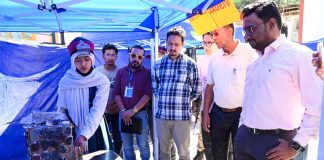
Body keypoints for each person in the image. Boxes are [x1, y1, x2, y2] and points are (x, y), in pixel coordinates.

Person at [234, 1, 323, 160]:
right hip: (245, 138)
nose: (246, 37)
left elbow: (316, 106)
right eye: (245, 31)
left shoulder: (298, 56)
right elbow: (249, 102)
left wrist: (296, 145)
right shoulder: (255, 61)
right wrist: (241, 130)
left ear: (272, 24)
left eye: (251, 29)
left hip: (276, 144)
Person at [202, 24, 256, 160]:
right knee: (218, 154)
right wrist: (206, 114)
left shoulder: (249, 54)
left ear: (230, 31)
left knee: (241, 154)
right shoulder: (214, 58)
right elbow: (209, 87)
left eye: (216, 34)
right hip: (218, 114)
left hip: (242, 114)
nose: (214, 39)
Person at [152, 26, 201, 160]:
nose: (173, 47)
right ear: (165, 42)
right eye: (170, 44)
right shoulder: (158, 64)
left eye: (176, 44)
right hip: (162, 117)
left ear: (182, 44)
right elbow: (155, 87)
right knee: (163, 153)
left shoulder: (190, 64)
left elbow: (197, 90)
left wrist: (181, 99)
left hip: (182, 118)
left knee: (184, 154)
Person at [57, 37, 110, 154]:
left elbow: (97, 110)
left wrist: (84, 135)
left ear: (92, 59)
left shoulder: (101, 81)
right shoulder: (65, 81)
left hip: (95, 129)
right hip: (71, 129)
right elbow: (62, 109)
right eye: (78, 60)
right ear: (72, 61)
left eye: (87, 59)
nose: (83, 64)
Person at [114, 45, 151, 160]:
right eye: (133, 56)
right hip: (123, 114)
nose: (136, 59)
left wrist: (133, 111)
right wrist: (125, 111)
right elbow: (116, 94)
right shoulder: (120, 72)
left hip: (140, 114)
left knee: (143, 145)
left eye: (140, 57)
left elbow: (147, 94)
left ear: (143, 59)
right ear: (129, 56)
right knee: (127, 146)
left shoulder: (147, 73)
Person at [194, 32, 218, 160]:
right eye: (204, 42)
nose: (207, 46)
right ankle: (200, 152)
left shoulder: (220, 58)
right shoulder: (200, 61)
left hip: (220, 107)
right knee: (206, 140)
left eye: (210, 42)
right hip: (204, 106)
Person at [96, 43, 122, 156]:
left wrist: (116, 103)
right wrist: (105, 104)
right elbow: (94, 92)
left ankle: (117, 156)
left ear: (116, 57)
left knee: (118, 138)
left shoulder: (122, 72)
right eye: (108, 55)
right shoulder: (96, 72)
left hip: (118, 111)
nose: (110, 57)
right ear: (103, 56)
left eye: (113, 55)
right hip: (102, 112)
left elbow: (124, 91)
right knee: (101, 138)